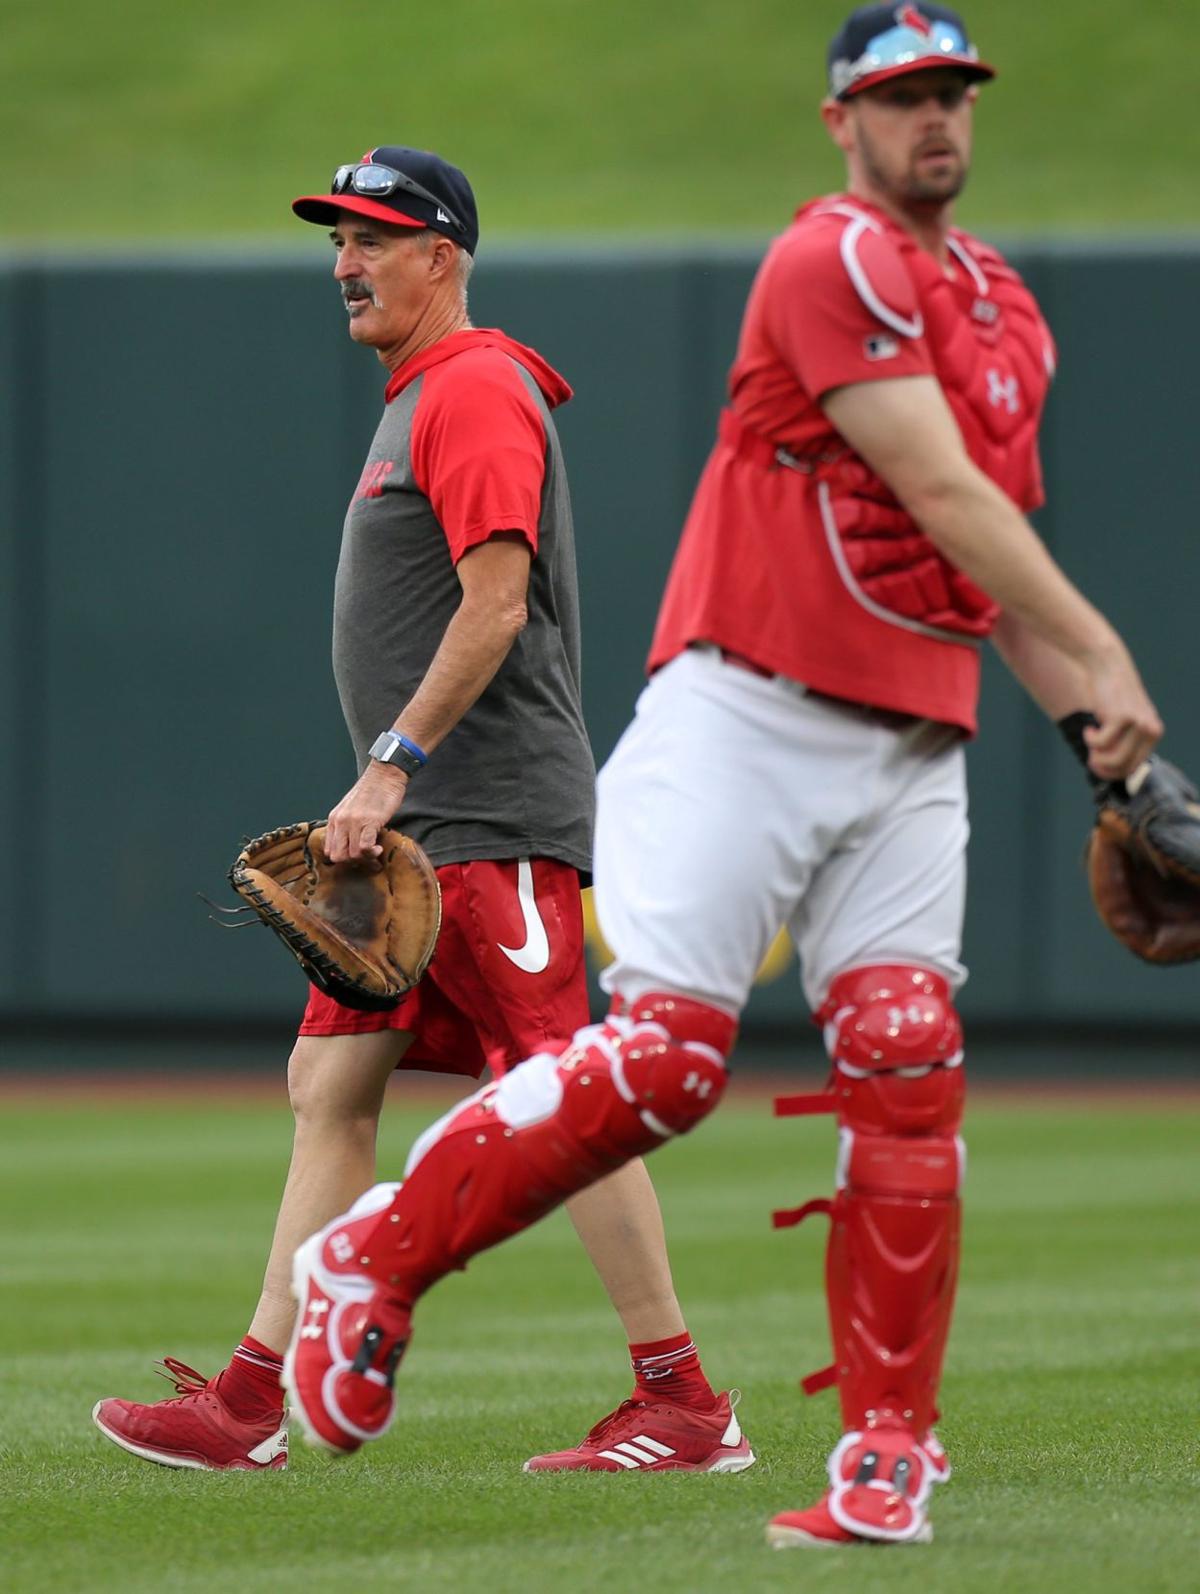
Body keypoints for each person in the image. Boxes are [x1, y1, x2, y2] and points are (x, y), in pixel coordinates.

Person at [291, 3, 1162, 1546]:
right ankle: (382, 1256)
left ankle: (884, 1451)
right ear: (845, 122)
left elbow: (980, 567)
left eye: (954, 91)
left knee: (907, 1060)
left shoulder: (1007, 313)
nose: (934, 120)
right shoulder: (823, 259)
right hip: (746, 706)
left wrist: (1097, 739)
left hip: (916, 728)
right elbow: (936, 484)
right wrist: (1112, 662)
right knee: (669, 1061)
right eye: (901, 98)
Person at [91, 145, 752, 1475]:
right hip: (427, 829)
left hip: (488, 811)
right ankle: (250, 1397)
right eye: (337, 241)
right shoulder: (419, 396)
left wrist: (392, 761)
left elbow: (497, 603)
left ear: (442, 254)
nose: (345, 264)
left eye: (373, 240)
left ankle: (682, 1399)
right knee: (330, 1081)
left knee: (563, 1094)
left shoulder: (473, 388)